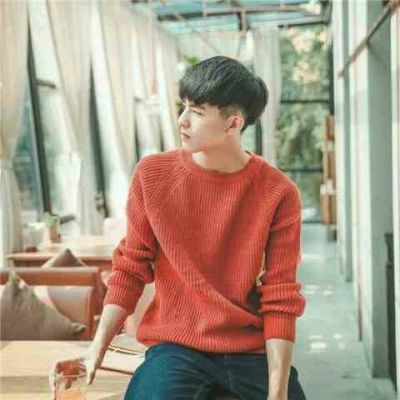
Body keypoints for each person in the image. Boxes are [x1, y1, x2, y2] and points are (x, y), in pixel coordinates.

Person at [51, 56, 307, 400]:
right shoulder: (153, 175)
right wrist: (95, 349)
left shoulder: (278, 192)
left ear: (233, 124)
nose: (182, 120)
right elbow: (130, 268)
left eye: (197, 112)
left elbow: (280, 294)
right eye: (183, 106)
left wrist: (277, 393)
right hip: (177, 347)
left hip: (249, 349)